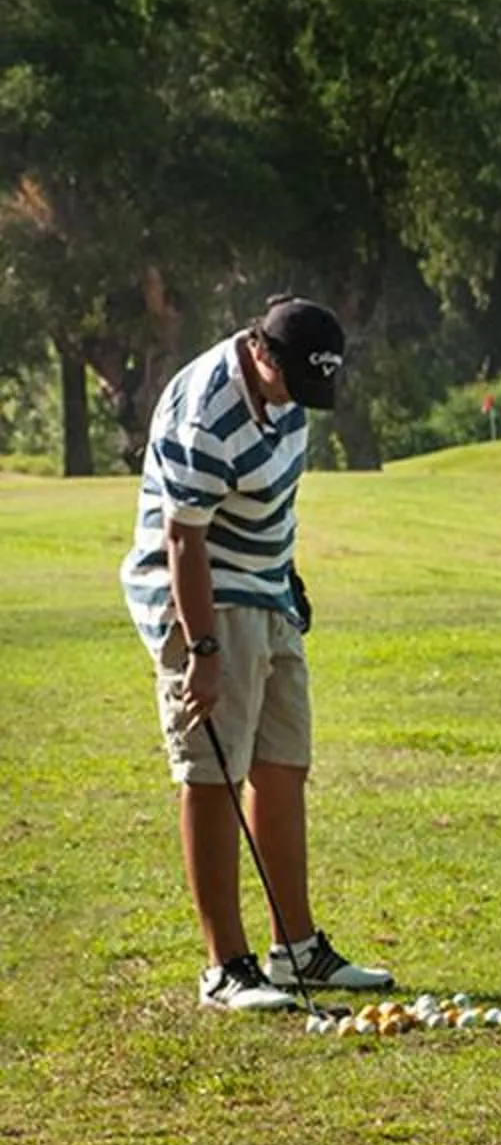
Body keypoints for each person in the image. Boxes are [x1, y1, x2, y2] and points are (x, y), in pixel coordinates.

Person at [123, 295, 393, 1011]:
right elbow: (183, 542)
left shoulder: (292, 391)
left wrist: (286, 578)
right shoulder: (205, 415)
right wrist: (202, 651)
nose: (301, 401)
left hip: (266, 595)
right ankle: (225, 967)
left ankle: (296, 950)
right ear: (260, 353)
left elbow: (276, 504)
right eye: (293, 382)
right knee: (212, 772)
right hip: (202, 597)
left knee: (282, 764)